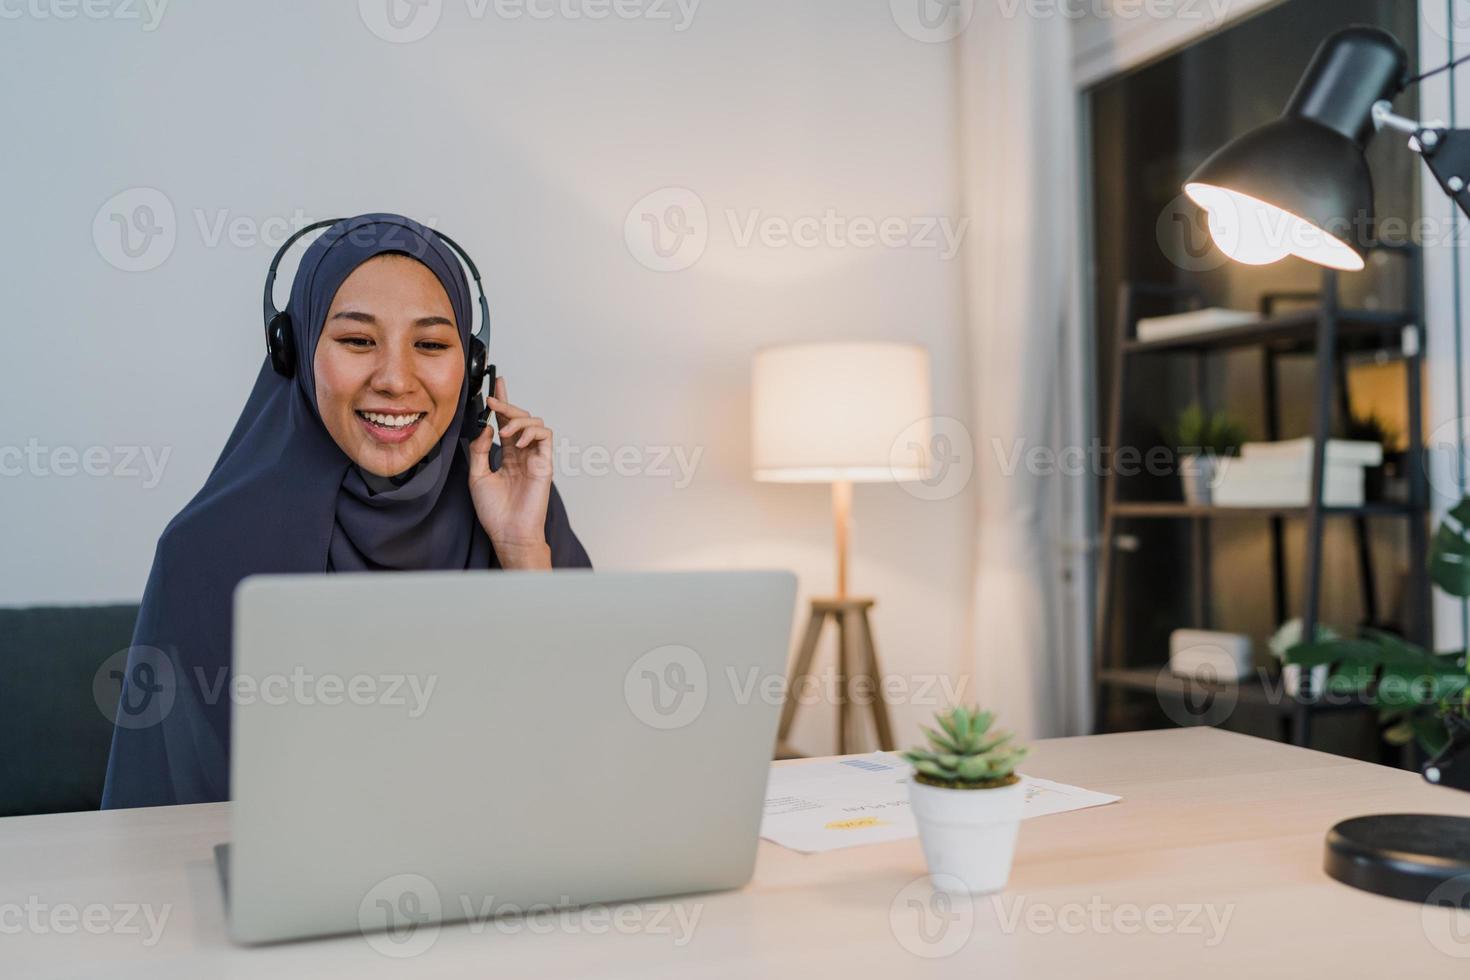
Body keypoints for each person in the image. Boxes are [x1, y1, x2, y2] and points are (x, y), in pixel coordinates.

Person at [101, 213, 590, 808]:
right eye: (358, 341)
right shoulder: (206, 552)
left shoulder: (525, 519)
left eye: (432, 345)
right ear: (296, 350)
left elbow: (591, 764)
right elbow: (165, 832)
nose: (394, 379)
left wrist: (522, 553)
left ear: (472, 364)